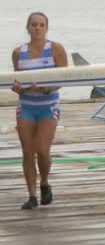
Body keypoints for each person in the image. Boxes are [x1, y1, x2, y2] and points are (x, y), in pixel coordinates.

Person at [11, 12, 68, 209]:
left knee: (42, 151)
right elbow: (17, 80)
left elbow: (64, 80)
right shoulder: (19, 52)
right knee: (27, 152)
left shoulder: (56, 49)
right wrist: (17, 88)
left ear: (46, 28)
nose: (37, 28)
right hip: (26, 107)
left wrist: (45, 89)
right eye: (34, 24)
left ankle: (44, 183)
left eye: (41, 25)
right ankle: (32, 195)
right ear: (27, 27)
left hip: (48, 106)